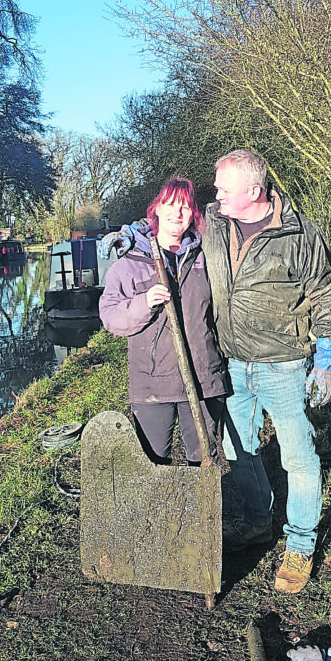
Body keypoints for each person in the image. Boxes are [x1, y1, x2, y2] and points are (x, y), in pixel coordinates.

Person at [101, 150, 331, 593]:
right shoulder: (216, 220)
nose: (215, 195)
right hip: (228, 362)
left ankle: (301, 546)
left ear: (253, 191)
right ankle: (256, 523)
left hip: (283, 363)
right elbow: (169, 223)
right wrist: (134, 234)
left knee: (298, 457)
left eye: (223, 188)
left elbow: (325, 293)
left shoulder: (301, 235)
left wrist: (326, 359)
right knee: (237, 450)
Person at [99, 175, 228, 464]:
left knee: (204, 461)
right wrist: (143, 303)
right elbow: (110, 317)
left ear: (193, 214)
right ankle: (157, 511)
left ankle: (198, 510)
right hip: (152, 386)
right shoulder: (131, 263)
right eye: (170, 204)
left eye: (184, 207)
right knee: (153, 464)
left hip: (204, 378)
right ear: (156, 209)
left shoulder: (205, 256)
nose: (177, 213)